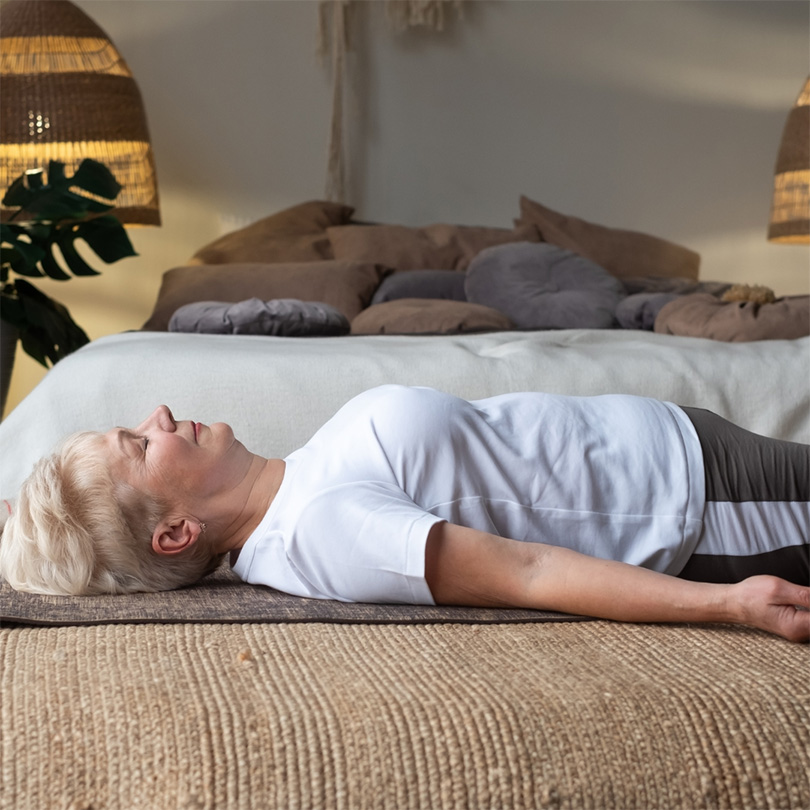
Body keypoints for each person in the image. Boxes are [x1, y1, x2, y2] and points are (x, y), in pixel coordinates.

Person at [0, 385, 807, 642]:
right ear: (175, 532)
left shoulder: (296, 492)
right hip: (699, 504)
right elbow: (525, 573)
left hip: (684, 449)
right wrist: (729, 606)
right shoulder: (320, 533)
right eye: (141, 446)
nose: (162, 415)